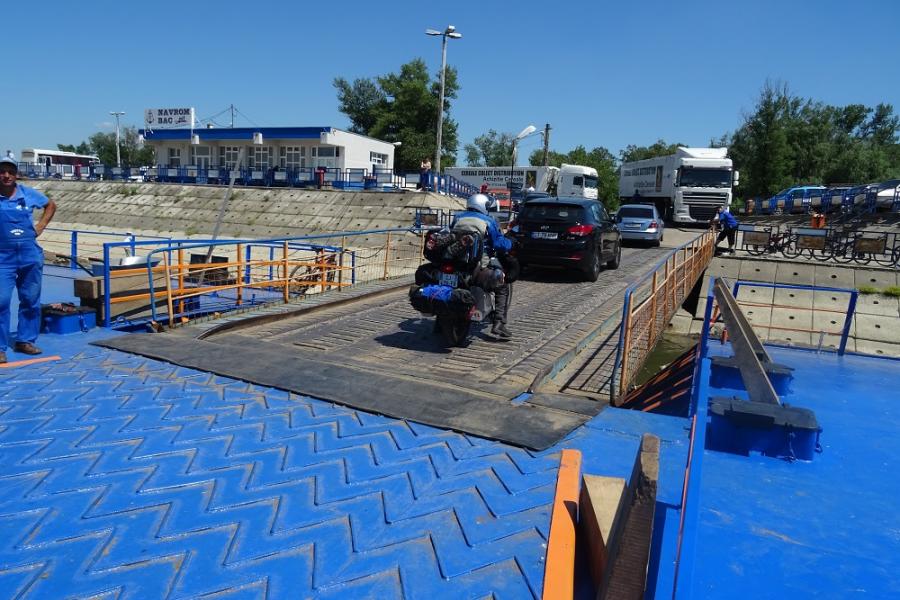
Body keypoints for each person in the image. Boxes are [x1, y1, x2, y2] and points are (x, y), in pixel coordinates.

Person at [0, 154, 57, 363]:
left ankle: (25, 341)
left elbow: (50, 205)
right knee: (1, 301)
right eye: (2, 171)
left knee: (30, 299)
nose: (6, 175)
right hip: (2, 259)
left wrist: (40, 227)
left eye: (10, 172)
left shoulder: (28, 194)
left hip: (29, 256)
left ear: (16, 174)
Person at [451, 193, 515, 339]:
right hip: (477, 268)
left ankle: (439, 324)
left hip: (456, 266)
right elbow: (499, 244)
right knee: (502, 285)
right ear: (482, 205)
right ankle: (499, 323)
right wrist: (510, 243)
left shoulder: (457, 217)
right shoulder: (488, 221)